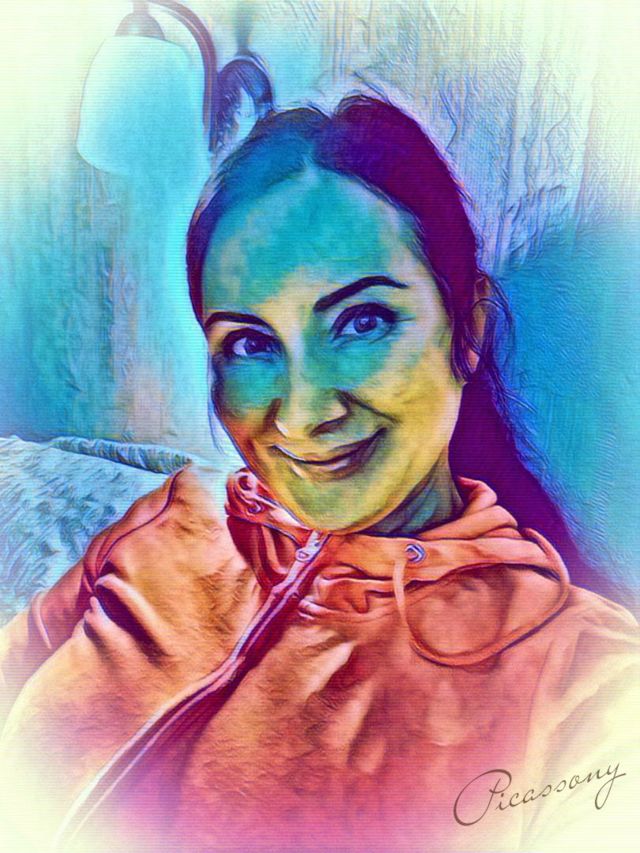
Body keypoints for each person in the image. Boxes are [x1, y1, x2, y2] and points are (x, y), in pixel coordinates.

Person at [0, 96, 638, 853]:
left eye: (362, 322)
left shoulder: (586, 682)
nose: (302, 416)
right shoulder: (173, 515)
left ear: (466, 331)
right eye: (249, 344)